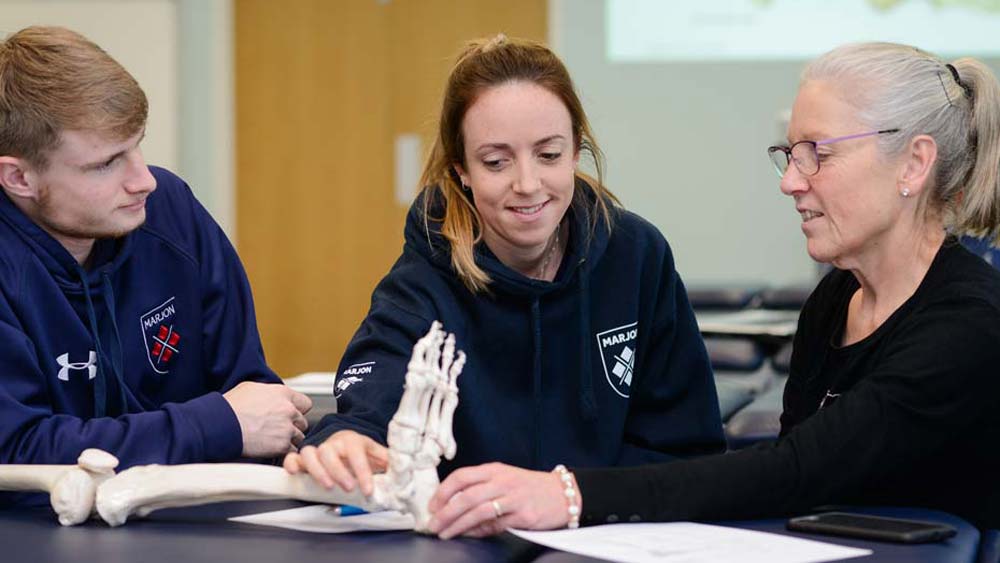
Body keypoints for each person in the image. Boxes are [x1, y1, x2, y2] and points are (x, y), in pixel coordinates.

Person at [426, 41, 1000, 537]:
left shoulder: (970, 323)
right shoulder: (833, 303)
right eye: (790, 155)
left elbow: (798, 469)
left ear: (913, 164)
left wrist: (570, 496)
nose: (792, 182)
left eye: (817, 154)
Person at [284, 35, 724, 499]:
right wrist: (347, 442)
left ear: (577, 150)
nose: (528, 184)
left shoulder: (636, 257)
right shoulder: (425, 280)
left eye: (549, 155)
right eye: (496, 162)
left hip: (606, 532)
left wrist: (574, 499)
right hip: (471, 539)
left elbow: (689, 449)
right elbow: (371, 404)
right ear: (462, 171)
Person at [0, 26, 311, 506]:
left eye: (137, 145)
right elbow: (17, 456)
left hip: (193, 521)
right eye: (107, 164)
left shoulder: (171, 211)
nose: (143, 181)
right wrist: (214, 427)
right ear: (19, 177)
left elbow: (252, 398)